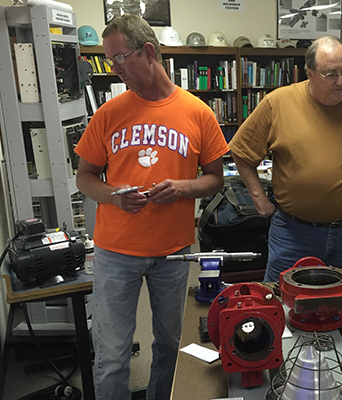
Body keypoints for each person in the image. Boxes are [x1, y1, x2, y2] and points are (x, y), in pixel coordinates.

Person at [75, 15, 229, 400]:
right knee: (111, 356)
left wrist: (181, 188)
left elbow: (215, 178)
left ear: (148, 51)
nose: (114, 69)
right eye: (109, 61)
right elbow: (85, 177)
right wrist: (112, 195)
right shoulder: (108, 114)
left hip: (173, 253)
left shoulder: (198, 112)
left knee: (169, 346)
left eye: (120, 58)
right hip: (115, 252)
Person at [229, 35, 342, 282]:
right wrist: (259, 199)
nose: (340, 81)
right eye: (330, 74)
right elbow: (241, 152)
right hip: (293, 233)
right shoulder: (278, 103)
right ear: (310, 73)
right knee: (284, 302)